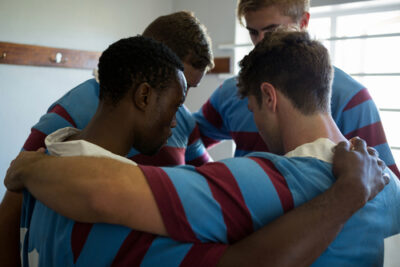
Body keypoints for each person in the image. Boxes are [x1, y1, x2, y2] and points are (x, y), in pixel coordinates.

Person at [5, 29, 396, 266]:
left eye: (251, 111)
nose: (180, 120)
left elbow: (101, 191)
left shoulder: (262, 180)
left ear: (269, 98)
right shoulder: (388, 185)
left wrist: (29, 167)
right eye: (176, 104)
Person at [0, 11, 213, 266]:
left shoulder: (182, 120)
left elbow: (208, 180)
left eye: (188, 89)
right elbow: (19, 186)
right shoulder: (72, 115)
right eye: (178, 86)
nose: (182, 104)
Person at [194, 0, 400, 178]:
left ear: (303, 22)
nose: (260, 43)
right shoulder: (233, 91)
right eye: (253, 32)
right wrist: (211, 178)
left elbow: (386, 187)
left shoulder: (351, 98)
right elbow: (187, 135)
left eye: (272, 30)